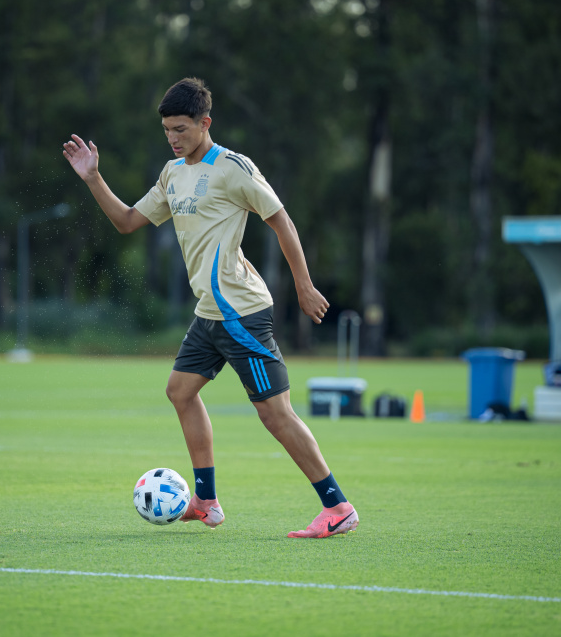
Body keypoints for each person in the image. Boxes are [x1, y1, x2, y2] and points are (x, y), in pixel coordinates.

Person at [62, 78, 358, 538]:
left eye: (181, 128)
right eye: (166, 130)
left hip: (242, 312)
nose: (173, 137)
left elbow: (280, 219)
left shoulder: (233, 167)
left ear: (205, 123)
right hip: (209, 314)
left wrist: (304, 284)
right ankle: (206, 501)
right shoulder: (172, 172)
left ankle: (338, 506)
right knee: (180, 391)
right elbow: (126, 221)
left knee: (275, 414)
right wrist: (93, 177)